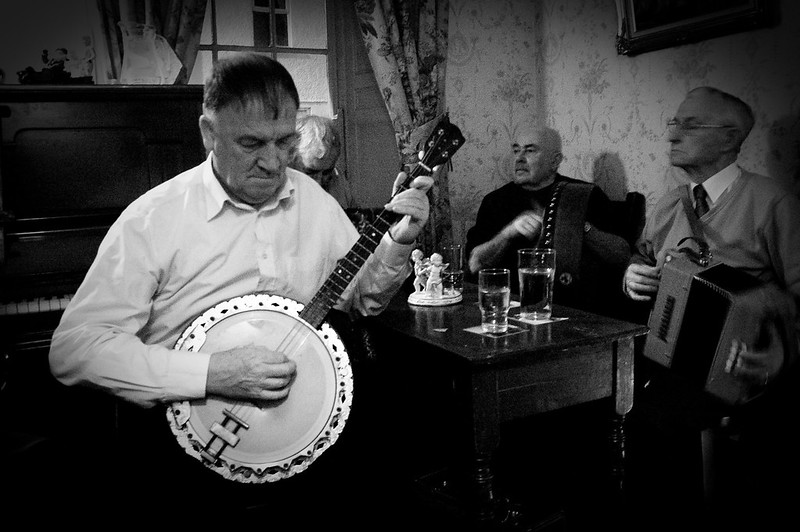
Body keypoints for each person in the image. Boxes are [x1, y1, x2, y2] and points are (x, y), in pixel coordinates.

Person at [46, 53, 435, 525]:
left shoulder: (312, 198)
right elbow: (74, 350)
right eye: (251, 143)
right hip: (190, 452)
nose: (273, 163)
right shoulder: (154, 219)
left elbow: (362, 300)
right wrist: (210, 373)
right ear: (209, 133)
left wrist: (398, 240)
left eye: (285, 141)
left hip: (304, 437)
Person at [622, 86, 800, 529]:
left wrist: (780, 353)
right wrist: (632, 276)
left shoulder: (773, 202)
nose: (672, 134)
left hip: (739, 372)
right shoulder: (669, 203)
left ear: (729, 138)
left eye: (690, 124)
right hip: (663, 358)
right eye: (673, 123)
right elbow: (642, 259)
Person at [465, 123, 635, 320]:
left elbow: (622, 255)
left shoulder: (583, 195)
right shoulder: (495, 201)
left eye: (530, 150)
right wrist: (507, 234)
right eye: (516, 150)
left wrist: (579, 225)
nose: (519, 158)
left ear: (555, 161)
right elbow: (474, 264)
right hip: (509, 313)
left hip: (572, 311)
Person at [289, 113, 353, 208]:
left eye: (327, 173)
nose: (319, 183)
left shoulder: (339, 182)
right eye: (310, 172)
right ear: (291, 162)